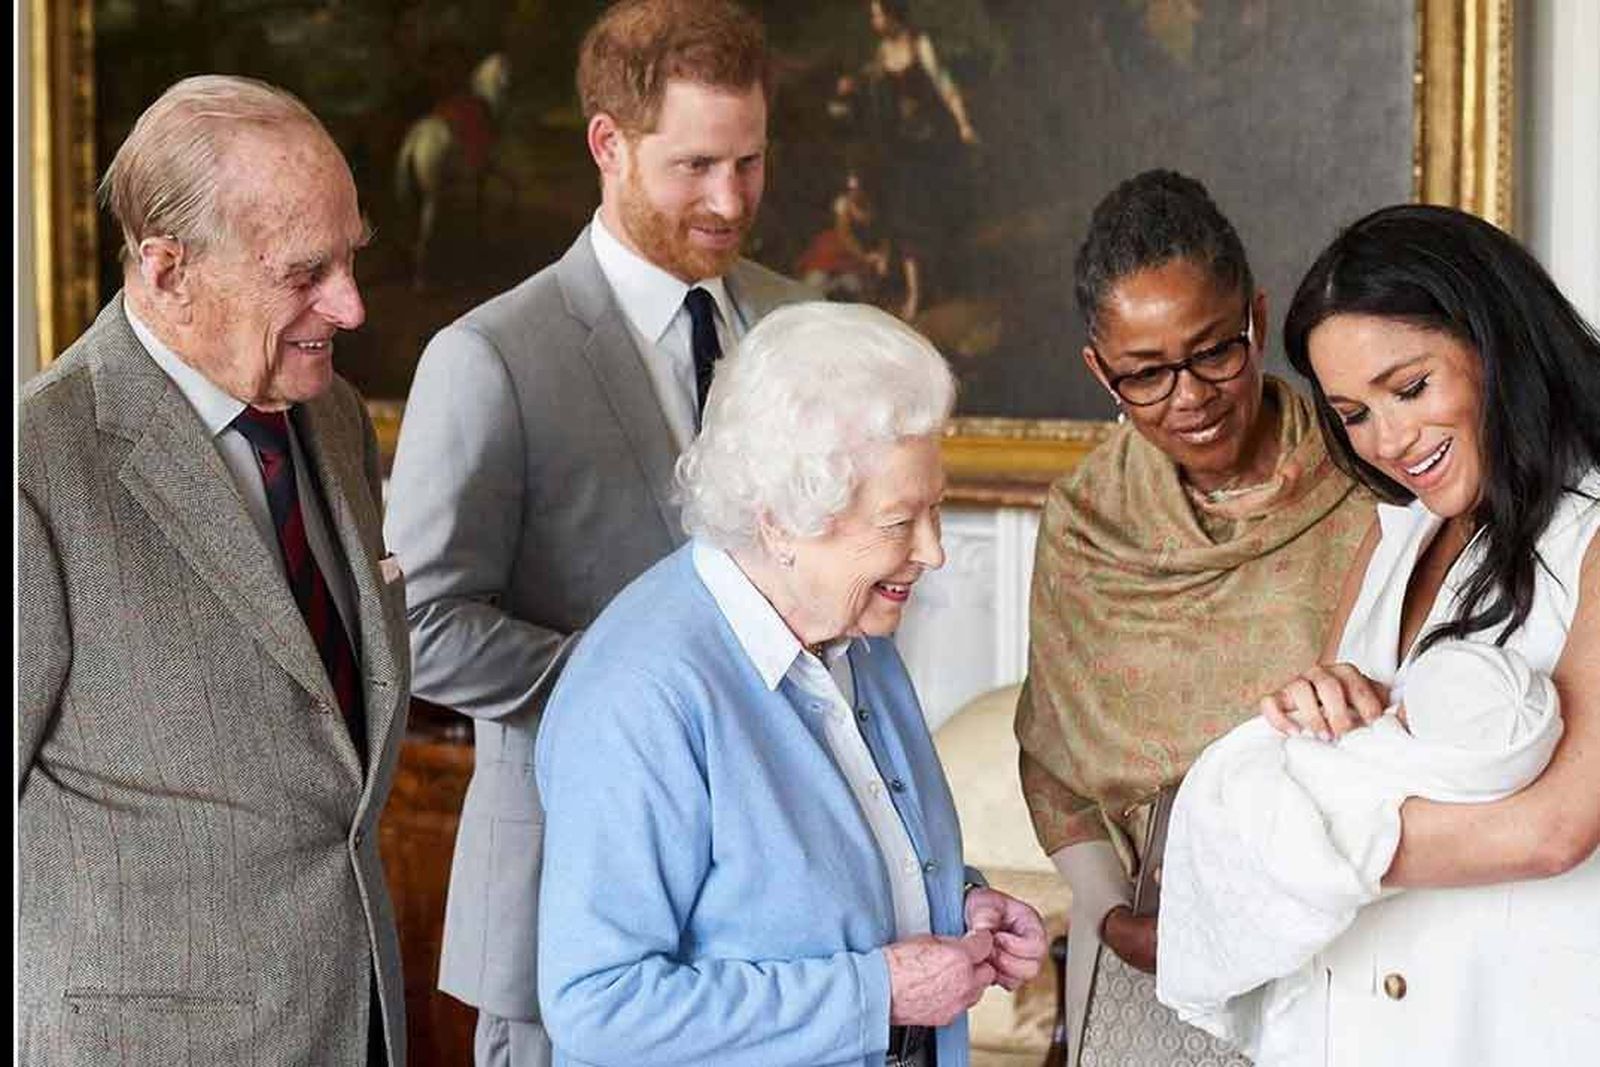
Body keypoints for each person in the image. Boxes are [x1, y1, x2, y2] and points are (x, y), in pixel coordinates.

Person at [381, 2, 811, 1064]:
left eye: (749, 163)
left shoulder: (802, 327)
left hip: (780, 922)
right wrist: (643, 685)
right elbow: (420, 624)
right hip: (568, 904)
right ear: (607, 145)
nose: (729, 200)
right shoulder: (488, 357)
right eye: (696, 164)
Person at [535, 302, 1048, 1066]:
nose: (934, 551)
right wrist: (880, 995)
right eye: (900, 520)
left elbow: (813, 885)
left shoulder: (853, 629)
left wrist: (959, 903)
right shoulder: (642, 694)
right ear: (781, 521)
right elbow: (599, 1005)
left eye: (935, 510)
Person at [18, 75, 409, 1065]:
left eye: (351, 256)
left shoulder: (332, 417)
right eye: (305, 271)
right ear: (167, 269)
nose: (350, 304)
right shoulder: (38, 465)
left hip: (352, 1021)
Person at [1012, 169, 1373, 1064]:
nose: (1191, 395)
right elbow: (1056, 763)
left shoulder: (1367, 475)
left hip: (1353, 920)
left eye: (1215, 350)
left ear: (1256, 318)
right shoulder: (1087, 525)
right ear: (1101, 370)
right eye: (1146, 374)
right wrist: (1112, 917)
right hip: (1155, 936)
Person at [1248, 202, 1600, 1065]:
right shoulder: (1391, 534)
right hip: (1352, 1021)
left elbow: (1556, 828)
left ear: (1497, 341)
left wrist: (1281, 833)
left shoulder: (1592, 534)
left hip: (1513, 1025)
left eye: (1410, 388)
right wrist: (1309, 709)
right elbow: (1324, 749)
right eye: (1354, 413)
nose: (1391, 440)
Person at [1158, 642, 1562, 1061]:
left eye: (1406, 716)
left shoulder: (1404, 772)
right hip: (1333, 993)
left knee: (1250, 801)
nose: (1396, 714)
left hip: (1443, 997)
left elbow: (1314, 861)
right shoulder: (1385, 597)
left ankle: (1184, 927)